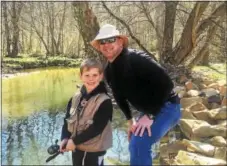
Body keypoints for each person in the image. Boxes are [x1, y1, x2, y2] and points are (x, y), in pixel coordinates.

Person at [90, 24, 181, 165]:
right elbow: (119, 97)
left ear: (120, 41)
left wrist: (150, 115)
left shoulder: (136, 59)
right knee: (134, 140)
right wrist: (130, 121)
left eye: (111, 40)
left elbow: (167, 84)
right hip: (149, 110)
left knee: (139, 144)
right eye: (102, 41)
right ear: (99, 46)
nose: (107, 45)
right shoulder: (108, 70)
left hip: (167, 106)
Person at [60, 58, 113, 166]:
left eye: (94, 75)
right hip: (76, 148)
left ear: (101, 76)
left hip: (94, 151)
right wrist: (65, 138)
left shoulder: (105, 101)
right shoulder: (75, 97)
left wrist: (73, 141)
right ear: (81, 76)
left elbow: (97, 128)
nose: (91, 79)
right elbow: (67, 119)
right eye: (87, 75)